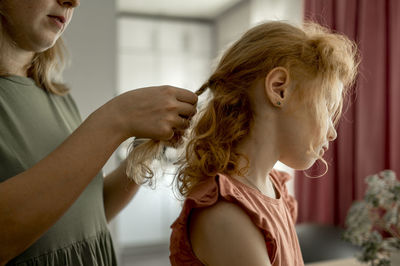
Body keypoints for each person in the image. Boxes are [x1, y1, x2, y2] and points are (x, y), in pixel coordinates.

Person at [128, 21, 358, 265]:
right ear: (279, 89)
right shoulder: (226, 214)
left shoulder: (273, 188)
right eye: (327, 108)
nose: (332, 133)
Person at [0, 0, 198, 265]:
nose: (73, 2)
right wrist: (116, 119)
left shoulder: (58, 98)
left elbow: (90, 210)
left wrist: (145, 149)